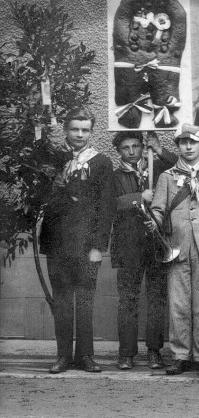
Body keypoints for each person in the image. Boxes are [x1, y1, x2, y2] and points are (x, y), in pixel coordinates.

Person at [40, 108, 114, 374]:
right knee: (61, 301)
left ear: (91, 132)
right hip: (57, 243)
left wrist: (98, 246)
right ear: (66, 130)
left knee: (84, 301)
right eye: (75, 129)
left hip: (86, 245)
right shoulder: (52, 161)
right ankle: (62, 356)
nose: (80, 135)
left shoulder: (102, 163)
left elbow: (106, 209)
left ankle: (85, 355)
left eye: (85, 130)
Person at [151, 123, 199, 375]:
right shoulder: (166, 176)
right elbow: (158, 209)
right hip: (177, 246)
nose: (188, 146)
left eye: (192, 142)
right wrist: (151, 218)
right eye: (183, 142)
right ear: (178, 146)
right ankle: (180, 354)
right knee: (178, 303)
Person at [109, 131, 176, 370]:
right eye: (125, 147)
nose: (131, 151)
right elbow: (109, 204)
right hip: (128, 244)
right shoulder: (114, 175)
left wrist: (158, 149)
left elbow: (180, 165)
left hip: (156, 242)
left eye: (136, 146)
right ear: (118, 150)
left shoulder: (157, 169)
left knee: (156, 299)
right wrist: (139, 197)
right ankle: (126, 353)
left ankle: (155, 351)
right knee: (128, 299)